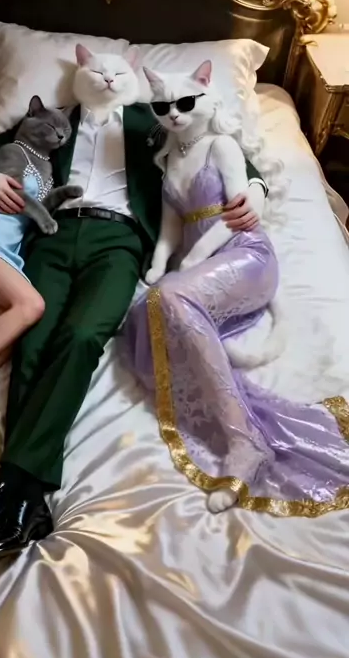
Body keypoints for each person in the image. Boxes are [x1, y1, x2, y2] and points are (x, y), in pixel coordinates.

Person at [0, 45, 268, 558]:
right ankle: (29, 502)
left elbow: (213, 138)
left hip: (119, 239)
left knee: (82, 335)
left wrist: (254, 187)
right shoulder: (55, 119)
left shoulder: (154, 118)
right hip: (52, 234)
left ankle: (10, 480)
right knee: (34, 340)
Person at [123, 61, 349, 517]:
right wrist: (160, 265)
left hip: (245, 254)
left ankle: (243, 442)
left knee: (170, 298)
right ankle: (240, 426)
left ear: (206, 92)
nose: (174, 113)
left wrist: (189, 264)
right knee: (145, 310)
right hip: (203, 267)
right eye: (164, 107)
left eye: (185, 103)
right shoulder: (169, 160)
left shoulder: (222, 145)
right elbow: (170, 227)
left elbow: (235, 215)